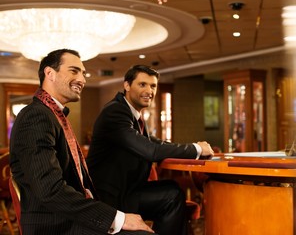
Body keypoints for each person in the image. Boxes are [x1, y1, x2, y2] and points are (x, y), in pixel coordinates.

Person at [9, 49, 155, 235]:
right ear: (49, 73)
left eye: (83, 73)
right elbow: (50, 190)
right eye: (74, 71)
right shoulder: (36, 116)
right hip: (55, 225)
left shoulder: (52, 115)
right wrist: (117, 218)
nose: (82, 79)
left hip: (71, 217)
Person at [86, 65, 215, 235]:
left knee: (172, 188)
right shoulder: (115, 111)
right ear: (127, 85)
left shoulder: (134, 114)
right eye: (142, 84)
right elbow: (151, 151)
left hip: (126, 191)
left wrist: (194, 148)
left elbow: (158, 144)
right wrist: (197, 148)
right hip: (109, 198)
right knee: (172, 196)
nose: (149, 91)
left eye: (153, 86)